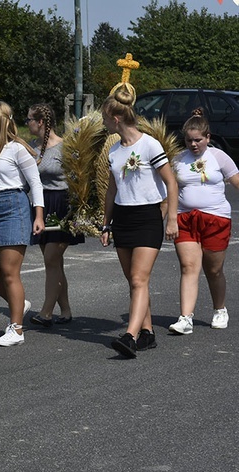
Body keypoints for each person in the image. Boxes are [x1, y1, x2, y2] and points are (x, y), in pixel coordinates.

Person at [101, 84, 179, 358]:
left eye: (104, 118)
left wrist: (171, 219)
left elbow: (171, 182)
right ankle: (147, 332)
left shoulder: (150, 144)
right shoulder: (113, 151)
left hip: (148, 218)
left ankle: (130, 336)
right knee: (134, 281)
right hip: (123, 217)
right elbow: (112, 190)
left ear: (116, 118)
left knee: (138, 278)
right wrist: (106, 223)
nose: (103, 122)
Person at [168, 108, 239, 334]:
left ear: (208, 137)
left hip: (216, 219)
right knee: (189, 267)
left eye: (198, 139)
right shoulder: (178, 160)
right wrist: (168, 218)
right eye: (189, 140)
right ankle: (185, 318)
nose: (193, 144)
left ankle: (220, 309)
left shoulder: (219, 157)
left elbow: (237, 181)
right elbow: (170, 192)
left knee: (214, 269)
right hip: (186, 219)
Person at [0, 100, 45, 347]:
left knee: (8, 271)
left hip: (13, 206)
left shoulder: (17, 149)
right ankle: (18, 303)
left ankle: (16, 329)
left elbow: (35, 183)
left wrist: (38, 215)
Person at [26, 103, 85, 327]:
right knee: (55, 262)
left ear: (40, 122)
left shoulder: (66, 146)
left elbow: (79, 176)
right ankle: (66, 310)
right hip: (42, 205)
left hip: (62, 204)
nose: (27, 123)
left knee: (51, 259)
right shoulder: (32, 147)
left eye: (30, 119)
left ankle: (46, 312)